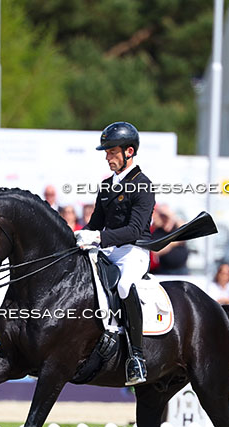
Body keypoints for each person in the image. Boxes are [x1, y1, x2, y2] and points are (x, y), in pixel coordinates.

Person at [75, 121, 154, 386]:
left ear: (129, 152)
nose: (107, 157)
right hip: (107, 248)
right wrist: (77, 236)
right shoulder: (107, 185)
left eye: (112, 152)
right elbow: (95, 223)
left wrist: (97, 237)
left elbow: (134, 230)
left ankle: (137, 357)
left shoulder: (143, 185)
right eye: (106, 152)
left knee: (123, 285)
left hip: (134, 251)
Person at [149, 204, 189, 275]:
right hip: (163, 270)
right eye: (161, 215)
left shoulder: (176, 227)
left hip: (181, 269)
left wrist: (172, 217)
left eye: (164, 216)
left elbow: (187, 229)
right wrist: (173, 243)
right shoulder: (156, 231)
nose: (164, 218)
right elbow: (155, 251)